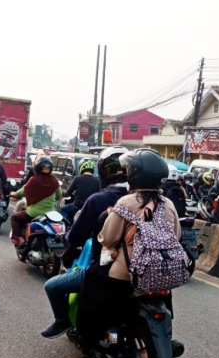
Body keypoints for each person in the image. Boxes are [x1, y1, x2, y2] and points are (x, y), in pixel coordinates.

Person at [76, 148, 181, 346]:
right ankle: (165, 338)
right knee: (164, 292)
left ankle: (102, 337)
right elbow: (176, 236)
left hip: (125, 275)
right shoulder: (168, 204)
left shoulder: (126, 201)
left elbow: (108, 239)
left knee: (91, 281)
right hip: (160, 272)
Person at [40, 148, 128, 338]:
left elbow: (76, 236)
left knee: (52, 286)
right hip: (142, 269)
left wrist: (65, 240)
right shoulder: (150, 202)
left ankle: (63, 320)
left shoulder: (99, 200)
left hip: (107, 268)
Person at [9, 155, 62, 245]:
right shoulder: (54, 181)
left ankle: (18, 238)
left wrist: (14, 194)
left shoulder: (33, 180)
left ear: (37, 168)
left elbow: (22, 192)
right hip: (50, 214)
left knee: (14, 218)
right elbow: (59, 196)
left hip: (33, 213)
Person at [61, 158, 100, 223]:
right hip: (90, 208)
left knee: (63, 210)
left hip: (77, 206)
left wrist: (62, 192)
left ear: (81, 166)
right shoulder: (97, 181)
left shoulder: (77, 179)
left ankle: (68, 227)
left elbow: (67, 193)